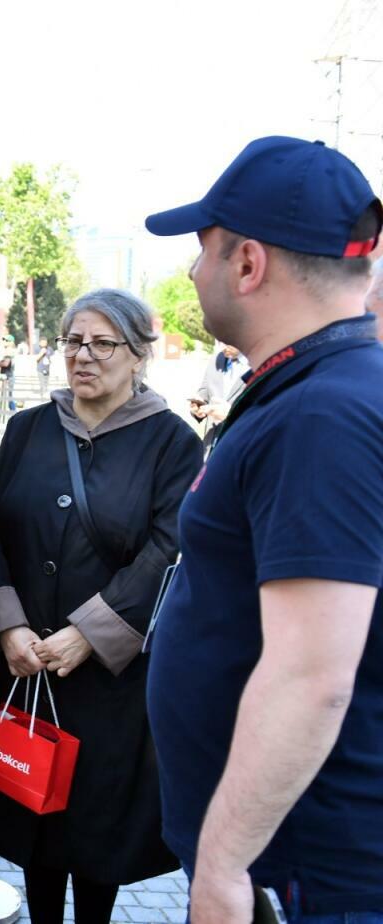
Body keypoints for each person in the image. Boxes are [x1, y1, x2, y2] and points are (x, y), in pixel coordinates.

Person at [144, 136, 383, 922]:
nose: (192, 271)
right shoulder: (320, 390)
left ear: (248, 263)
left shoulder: (322, 413)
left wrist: (223, 868)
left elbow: (312, 676)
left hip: (304, 877)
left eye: (203, 248)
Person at [0, 289, 201, 924]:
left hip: (110, 677)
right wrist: (7, 625)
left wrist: (90, 632)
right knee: (33, 809)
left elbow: (170, 546)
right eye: (74, 341)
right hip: (25, 660)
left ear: (138, 355)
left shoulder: (172, 442)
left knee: (95, 826)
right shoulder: (29, 428)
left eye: (103, 343)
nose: (83, 356)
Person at [187, 343, 247, 448]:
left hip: (240, 445)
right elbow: (205, 390)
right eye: (219, 341)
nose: (222, 347)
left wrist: (229, 416)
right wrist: (198, 406)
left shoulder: (260, 364)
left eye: (226, 341)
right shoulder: (216, 359)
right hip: (211, 445)